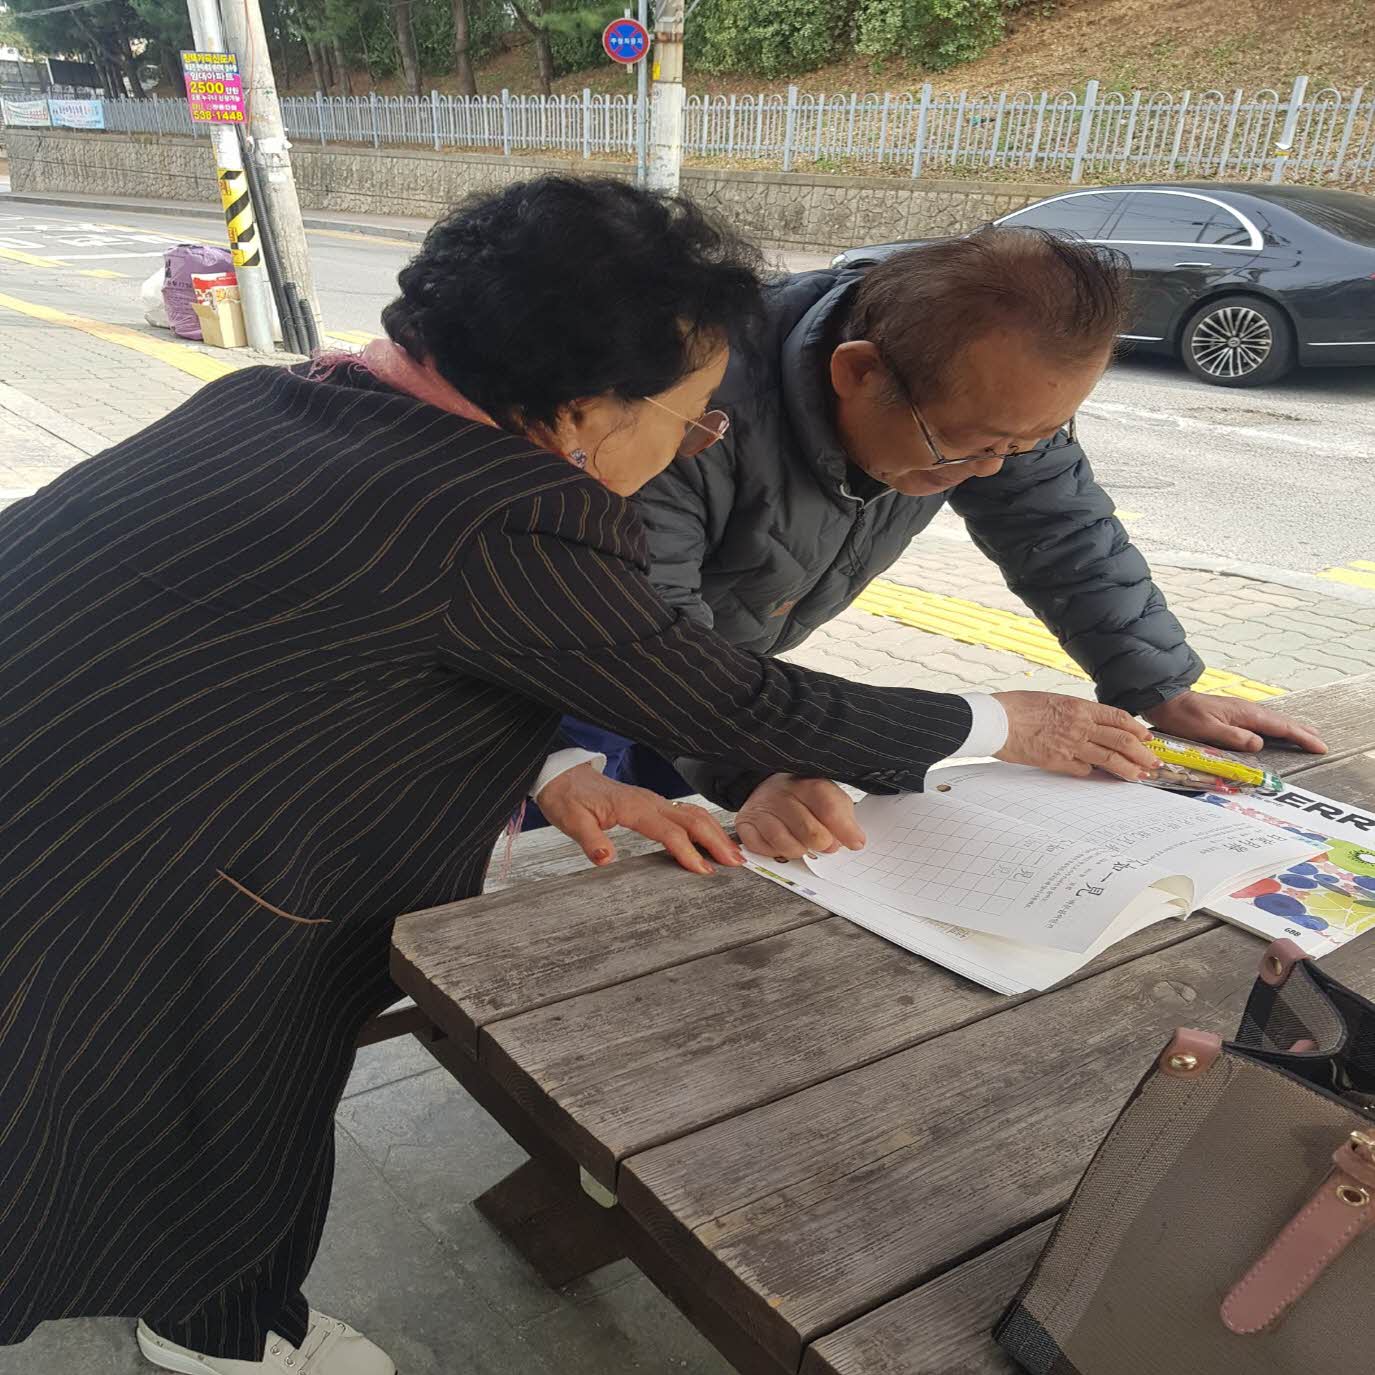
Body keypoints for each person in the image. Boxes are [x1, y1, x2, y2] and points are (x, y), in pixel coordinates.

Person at [0, 178, 1164, 1375]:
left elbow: (350, 643)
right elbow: (733, 700)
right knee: (195, 1115)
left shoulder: (283, 397)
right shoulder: (509, 516)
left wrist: (552, 767)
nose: (697, 443)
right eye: (692, 421)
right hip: (119, 891)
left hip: (66, 803)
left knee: (148, 1122)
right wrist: (998, 718)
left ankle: (217, 1319)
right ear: (584, 412)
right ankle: (229, 1338)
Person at [533, 227, 1326, 863]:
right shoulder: (689, 414)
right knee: (549, 847)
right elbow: (654, 647)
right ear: (857, 371)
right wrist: (758, 764)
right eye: (969, 445)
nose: (993, 468)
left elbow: (1059, 526)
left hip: (719, 684)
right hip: (559, 669)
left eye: (1029, 441)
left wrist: (1156, 682)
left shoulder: (990, 398)